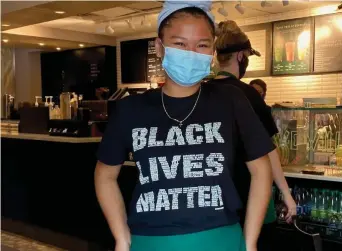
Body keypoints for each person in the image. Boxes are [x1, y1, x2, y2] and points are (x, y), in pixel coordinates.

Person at [94, 2, 275, 251]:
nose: (191, 52)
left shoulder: (231, 101)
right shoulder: (130, 109)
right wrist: (121, 238)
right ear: (160, 47)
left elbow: (261, 170)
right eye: (180, 44)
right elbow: (105, 175)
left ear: (212, 51)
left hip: (220, 239)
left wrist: (250, 241)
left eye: (202, 45)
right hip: (150, 241)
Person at [208, 20, 296, 251]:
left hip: (212, 197)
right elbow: (267, 150)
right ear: (240, 56)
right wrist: (286, 193)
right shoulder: (247, 95)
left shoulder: (201, 91)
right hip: (248, 193)